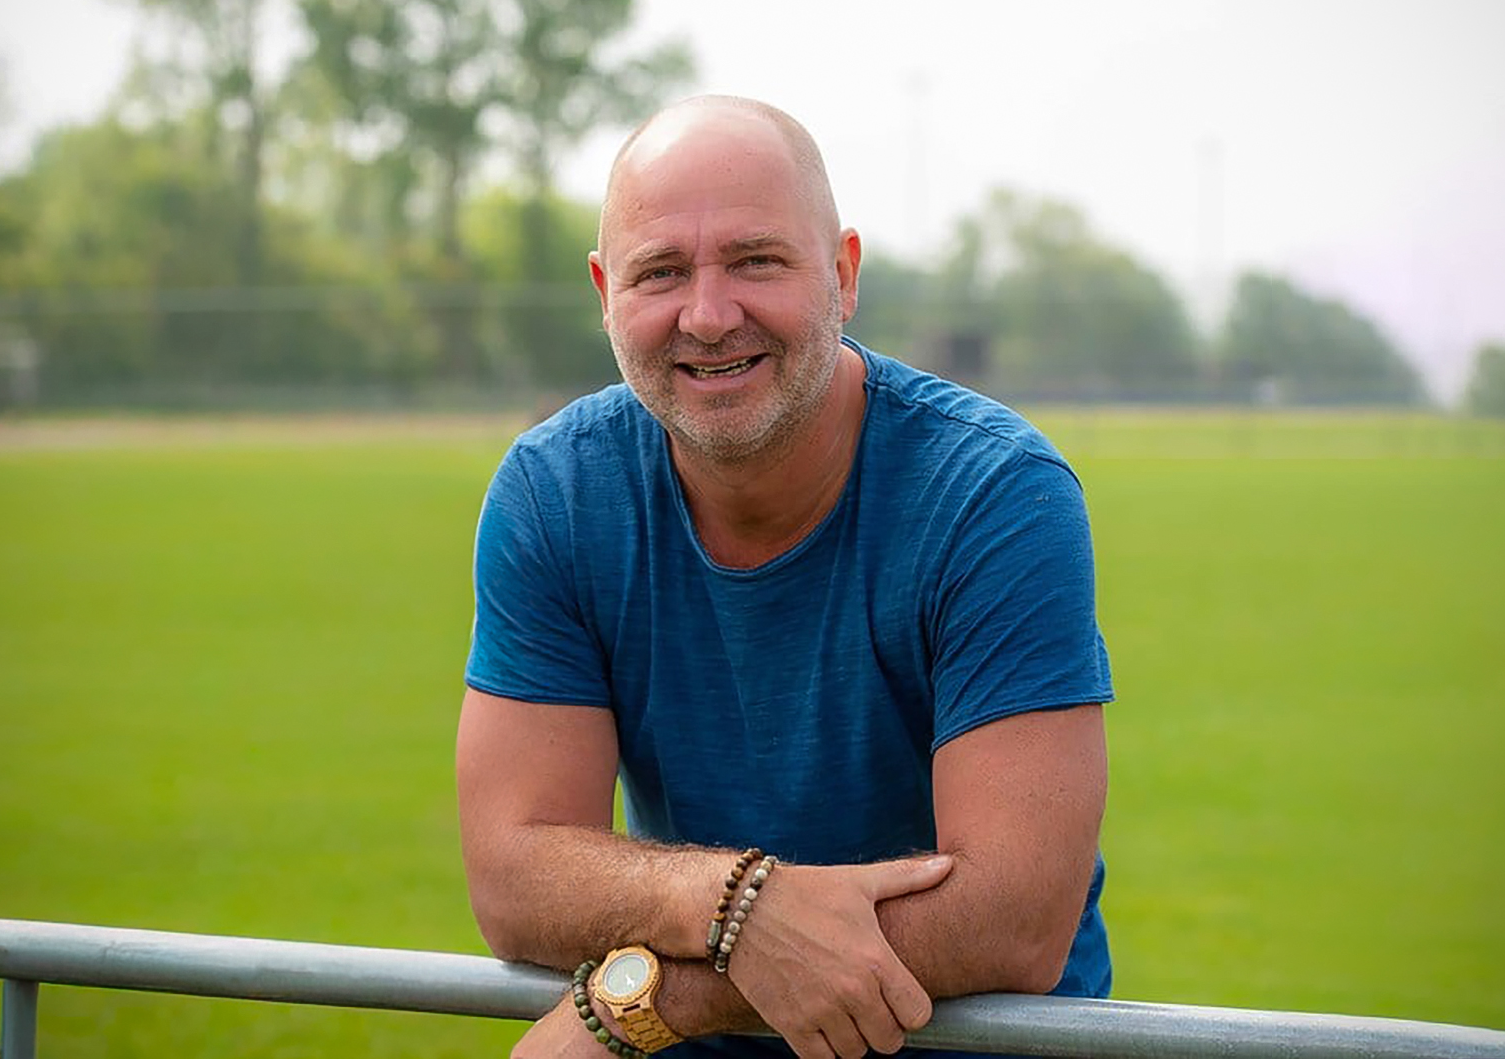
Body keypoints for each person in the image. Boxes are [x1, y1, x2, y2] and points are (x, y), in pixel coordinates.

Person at [457, 95, 1113, 1059]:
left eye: (757, 261)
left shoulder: (995, 494)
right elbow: (513, 875)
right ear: (605, 296)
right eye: (661, 272)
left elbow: (1014, 918)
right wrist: (734, 908)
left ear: (843, 275)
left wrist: (663, 1000)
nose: (709, 315)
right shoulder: (555, 492)